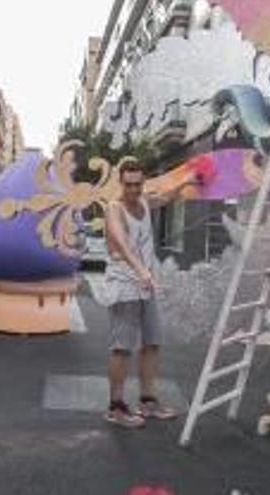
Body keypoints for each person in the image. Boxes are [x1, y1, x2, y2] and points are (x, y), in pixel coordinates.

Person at [103, 157, 199, 429]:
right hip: (124, 285)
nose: (133, 189)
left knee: (152, 343)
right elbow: (121, 242)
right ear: (120, 182)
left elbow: (165, 198)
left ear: (143, 181)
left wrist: (185, 182)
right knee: (122, 348)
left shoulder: (144, 201)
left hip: (146, 286)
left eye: (138, 184)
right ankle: (116, 406)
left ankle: (147, 400)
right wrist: (141, 270)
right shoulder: (114, 208)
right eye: (128, 184)